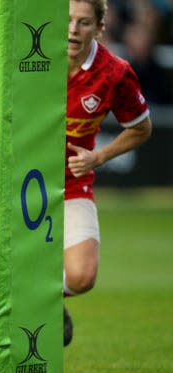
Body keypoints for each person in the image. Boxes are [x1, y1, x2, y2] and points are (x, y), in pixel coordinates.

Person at [63, 0, 152, 346]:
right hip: (21, 181)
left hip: (72, 184)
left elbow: (141, 128)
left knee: (83, 277)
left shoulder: (114, 72)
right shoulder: (32, 61)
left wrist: (98, 156)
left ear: (100, 28)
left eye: (84, 23)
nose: (73, 29)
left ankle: (45, 301)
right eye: (68, 21)